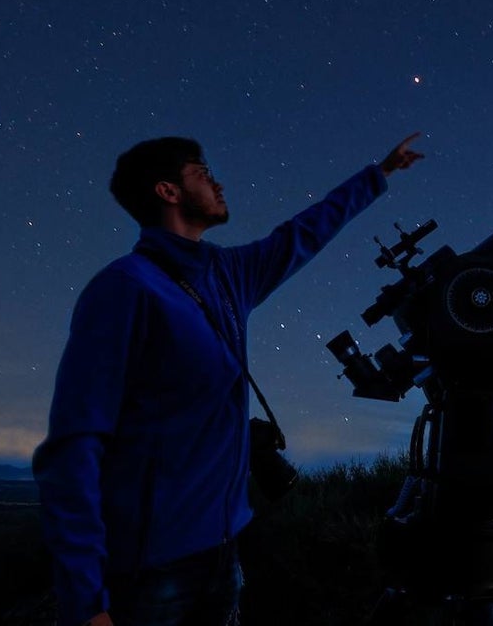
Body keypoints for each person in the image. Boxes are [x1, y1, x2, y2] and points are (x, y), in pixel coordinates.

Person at [33, 133, 424, 626]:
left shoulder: (225, 273)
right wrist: (86, 600)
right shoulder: (124, 290)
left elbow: (302, 234)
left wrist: (378, 174)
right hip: (151, 571)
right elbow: (73, 444)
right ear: (168, 192)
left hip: (221, 551)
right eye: (202, 173)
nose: (217, 182)